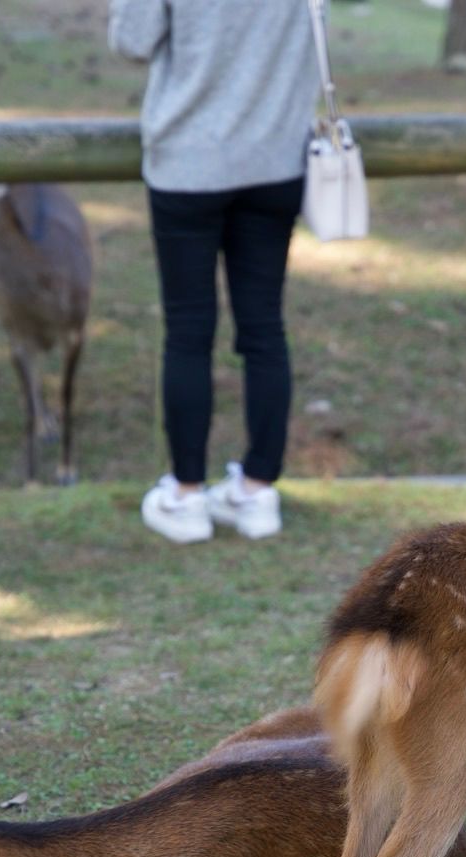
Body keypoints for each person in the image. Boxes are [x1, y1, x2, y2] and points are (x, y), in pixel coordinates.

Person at [110, 0, 319, 543]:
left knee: (188, 332)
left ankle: (185, 497)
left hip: (189, 161)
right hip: (276, 159)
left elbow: (131, 40)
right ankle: (256, 492)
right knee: (264, 329)